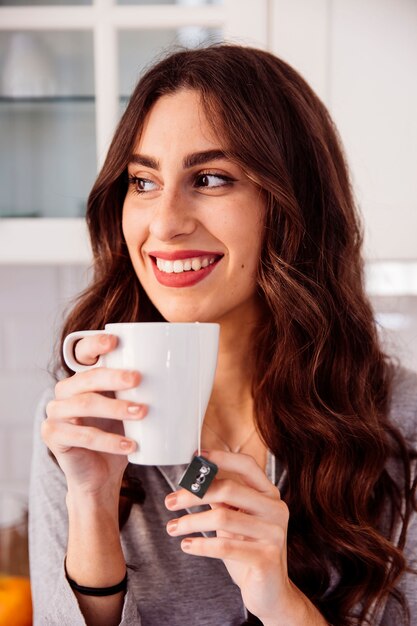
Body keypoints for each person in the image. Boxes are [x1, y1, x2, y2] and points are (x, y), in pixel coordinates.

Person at [29, 44, 417, 626]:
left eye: (210, 178)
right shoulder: (84, 419)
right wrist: (91, 505)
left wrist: (278, 598)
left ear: (292, 205)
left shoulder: (400, 422)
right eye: (142, 181)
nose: (164, 223)